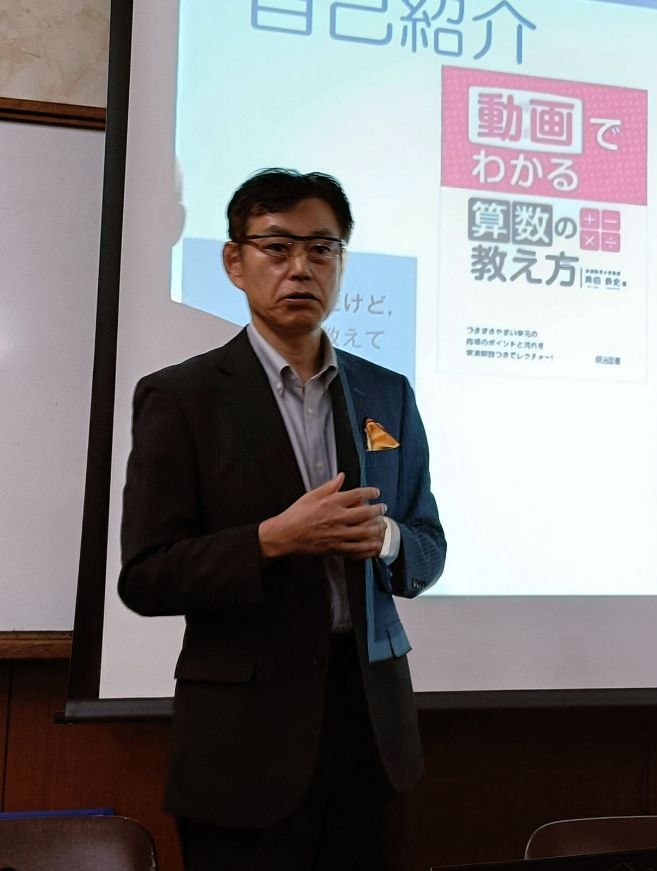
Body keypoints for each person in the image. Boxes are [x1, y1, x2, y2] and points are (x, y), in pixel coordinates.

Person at [118, 168, 446, 869]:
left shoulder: (387, 392)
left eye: (321, 248)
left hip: (370, 733)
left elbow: (428, 544)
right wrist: (272, 540)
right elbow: (146, 575)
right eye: (276, 247)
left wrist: (387, 538)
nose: (300, 267)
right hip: (243, 745)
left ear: (341, 263)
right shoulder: (182, 397)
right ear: (235, 262)